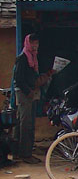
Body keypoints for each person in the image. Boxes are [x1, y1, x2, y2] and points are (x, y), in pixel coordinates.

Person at [12, 33, 54, 163]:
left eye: (37, 43)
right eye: (33, 43)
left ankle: (18, 152)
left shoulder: (33, 58)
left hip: (30, 92)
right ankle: (25, 154)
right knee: (26, 124)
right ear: (28, 43)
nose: (35, 46)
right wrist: (28, 91)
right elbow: (18, 79)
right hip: (25, 94)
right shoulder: (23, 58)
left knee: (23, 123)